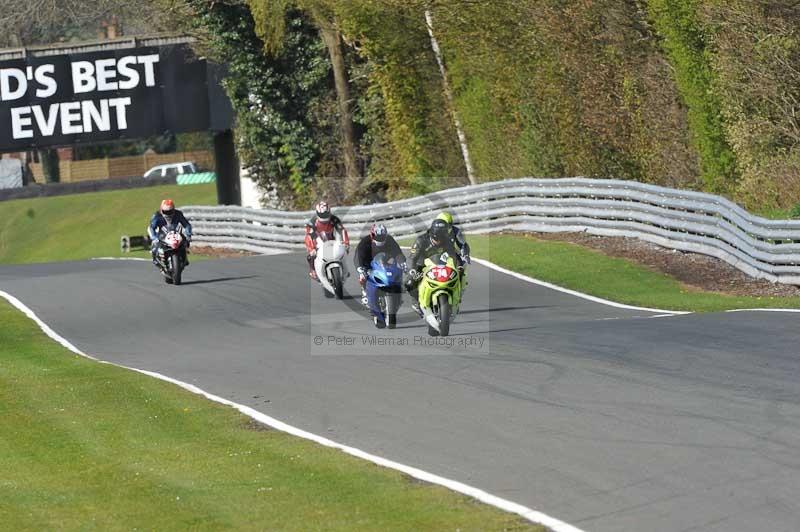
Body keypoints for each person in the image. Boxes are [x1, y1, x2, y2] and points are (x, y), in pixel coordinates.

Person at [406, 218, 465, 317]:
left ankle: (455, 300)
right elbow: (412, 258)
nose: (439, 241)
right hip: (422, 266)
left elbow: (454, 255)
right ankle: (416, 303)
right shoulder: (421, 240)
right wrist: (412, 270)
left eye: (442, 238)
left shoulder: (447, 241)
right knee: (409, 282)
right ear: (432, 235)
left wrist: (458, 266)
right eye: (437, 239)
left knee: (460, 274)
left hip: (441, 264)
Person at [354, 224, 406, 327]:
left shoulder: (390, 240)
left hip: (384, 264)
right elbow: (358, 257)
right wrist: (360, 268)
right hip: (369, 265)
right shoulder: (365, 242)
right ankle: (365, 292)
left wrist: (401, 261)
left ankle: (397, 293)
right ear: (372, 235)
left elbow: (397, 252)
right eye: (378, 237)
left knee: (398, 273)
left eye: (382, 237)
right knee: (363, 276)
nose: (380, 239)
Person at [304, 201, 350, 280]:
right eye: (322, 215)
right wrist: (311, 248)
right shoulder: (312, 223)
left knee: (344, 251)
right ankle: (313, 270)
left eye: (326, 214)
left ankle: (345, 269)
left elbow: (342, 230)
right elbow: (308, 236)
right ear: (317, 213)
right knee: (311, 256)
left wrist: (346, 243)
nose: (324, 217)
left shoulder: (334, 219)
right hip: (318, 242)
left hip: (332, 240)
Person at [148, 199, 192, 264]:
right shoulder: (157, 215)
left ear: (173, 209)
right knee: (155, 245)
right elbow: (151, 228)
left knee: (185, 241)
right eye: (166, 212)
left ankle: (184, 257)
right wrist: (154, 238)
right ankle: (156, 259)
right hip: (162, 234)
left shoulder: (178, 214)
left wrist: (188, 234)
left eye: (170, 211)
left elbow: (187, 225)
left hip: (175, 233)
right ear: (161, 210)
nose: (168, 214)